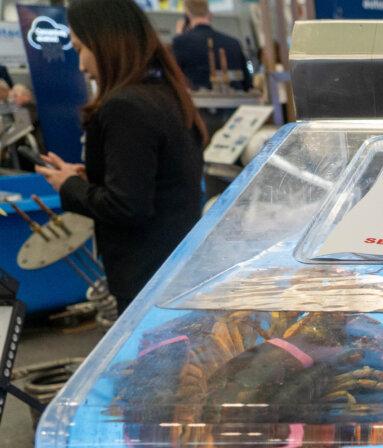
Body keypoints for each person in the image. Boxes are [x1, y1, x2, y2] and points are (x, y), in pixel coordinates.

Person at [34, 0, 205, 313]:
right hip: (174, 268)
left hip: (146, 276)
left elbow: (127, 206)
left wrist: (69, 185)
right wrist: (90, 177)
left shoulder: (125, 107)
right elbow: (152, 180)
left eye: (81, 49)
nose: (81, 65)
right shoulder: (165, 94)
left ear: (106, 43)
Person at [171, 0, 251, 92]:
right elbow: (247, 83)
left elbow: (175, 78)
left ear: (186, 16)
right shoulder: (234, 43)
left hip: (199, 100)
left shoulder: (181, 42)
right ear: (210, 15)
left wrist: (179, 35)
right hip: (237, 99)